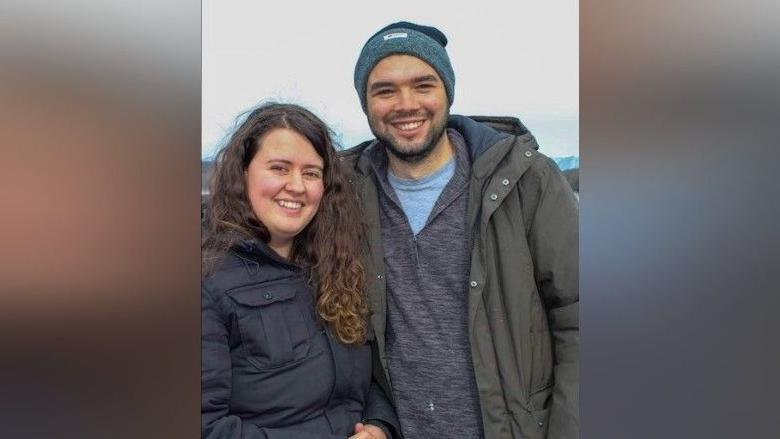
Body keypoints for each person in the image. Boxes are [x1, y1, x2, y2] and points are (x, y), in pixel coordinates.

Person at [341, 22, 579, 438]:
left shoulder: (526, 180)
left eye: (423, 85)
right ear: (365, 103)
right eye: (384, 90)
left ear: (447, 92)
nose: (405, 104)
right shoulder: (344, 195)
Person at [201, 103, 399, 439]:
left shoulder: (337, 266)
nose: (296, 186)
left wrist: (380, 427)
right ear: (243, 172)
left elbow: (365, 384)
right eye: (279, 168)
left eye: (311, 172)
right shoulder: (207, 280)